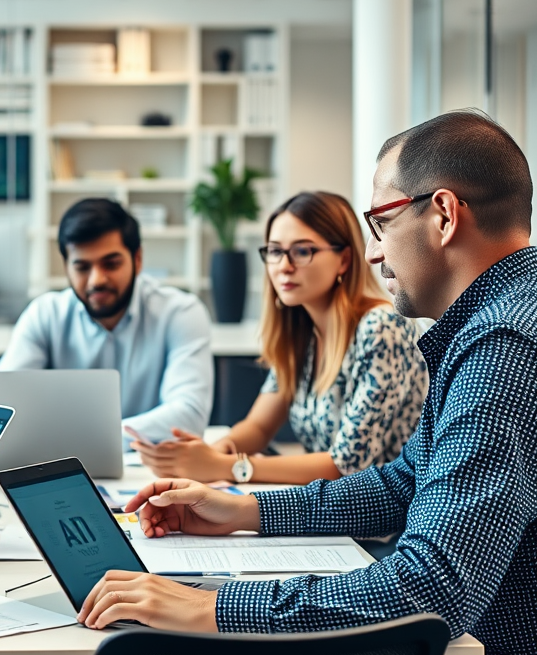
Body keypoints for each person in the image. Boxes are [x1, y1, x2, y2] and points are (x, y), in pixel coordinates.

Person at [78, 110, 537, 655]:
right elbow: (407, 484)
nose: (375, 250)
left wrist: (207, 608)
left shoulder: (507, 346)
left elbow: (433, 585)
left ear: (443, 214)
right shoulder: (492, 325)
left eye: (380, 223)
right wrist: (243, 511)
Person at [133, 191, 427, 485]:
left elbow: (346, 465)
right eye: (274, 251)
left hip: (387, 521)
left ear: (344, 259)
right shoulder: (303, 334)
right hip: (332, 510)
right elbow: (259, 427)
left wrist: (229, 467)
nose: (283, 266)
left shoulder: (382, 328)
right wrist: (210, 452)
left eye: (302, 251)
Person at [0, 197, 214, 445]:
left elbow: (189, 415)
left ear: (138, 259)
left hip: (151, 472)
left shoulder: (180, 312)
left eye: (111, 264)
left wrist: (93, 439)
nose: (96, 280)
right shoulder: (45, 314)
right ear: (67, 267)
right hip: (64, 468)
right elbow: (4, 408)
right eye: (82, 267)